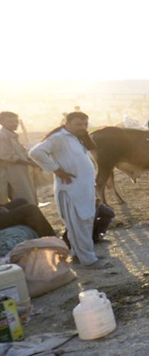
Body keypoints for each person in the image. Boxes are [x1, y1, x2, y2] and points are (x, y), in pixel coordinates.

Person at [29, 112, 107, 269]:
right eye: (79, 124)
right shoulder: (59, 137)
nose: (83, 127)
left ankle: (80, 255)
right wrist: (57, 171)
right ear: (67, 122)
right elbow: (35, 153)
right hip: (72, 189)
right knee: (80, 223)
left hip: (82, 188)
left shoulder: (74, 137)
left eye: (85, 124)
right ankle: (89, 261)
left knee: (79, 223)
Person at [0, 112, 38, 204]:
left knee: (29, 195)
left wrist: (30, 160)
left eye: (16, 121)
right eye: (10, 121)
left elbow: (22, 152)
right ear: (2, 122)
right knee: (22, 197)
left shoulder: (12, 135)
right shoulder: (2, 136)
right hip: (11, 172)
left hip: (21, 171)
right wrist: (29, 163)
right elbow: (7, 156)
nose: (14, 124)